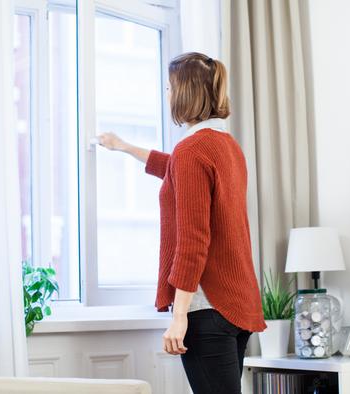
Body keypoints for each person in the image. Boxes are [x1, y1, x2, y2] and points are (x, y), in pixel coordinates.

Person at [96, 52, 266, 394]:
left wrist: (180, 316)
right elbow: (175, 168)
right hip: (237, 306)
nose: (168, 94)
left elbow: (193, 240)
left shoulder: (193, 151)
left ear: (186, 93)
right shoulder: (226, 146)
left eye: (170, 87)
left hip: (207, 307)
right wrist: (124, 147)